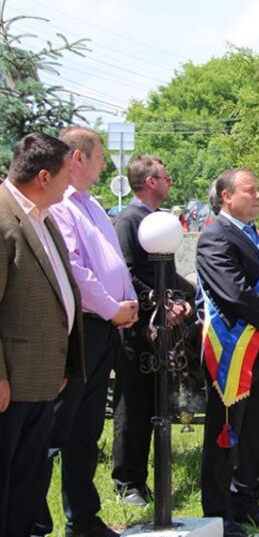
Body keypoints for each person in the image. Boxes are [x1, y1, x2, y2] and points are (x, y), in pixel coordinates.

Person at [38, 126, 139, 537]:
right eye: (99, 158)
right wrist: (114, 308)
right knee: (55, 430)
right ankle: (32, 520)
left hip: (106, 328)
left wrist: (127, 303)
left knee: (87, 429)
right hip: (79, 328)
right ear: (77, 158)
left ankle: (83, 518)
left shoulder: (93, 205)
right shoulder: (60, 206)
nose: (103, 167)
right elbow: (74, 270)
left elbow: (113, 262)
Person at [196, 168, 259, 536]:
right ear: (226, 196)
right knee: (227, 432)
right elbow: (236, 293)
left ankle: (245, 499)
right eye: (250, 190)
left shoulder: (257, 236)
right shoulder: (214, 236)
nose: (258, 196)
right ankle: (218, 509)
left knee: (256, 430)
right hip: (233, 351)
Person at [0, 133, 82, 537]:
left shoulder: (42, 217)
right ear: (45, 176)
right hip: (10, 382)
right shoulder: (3, 217)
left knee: (27, 484)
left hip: (42, 377)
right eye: (68, 174)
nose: (71, 183)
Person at [111, 155, 195, 506]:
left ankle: (150, 479)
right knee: (133, 405)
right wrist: (159, 302)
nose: (170, 183)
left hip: (161, 329)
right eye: (166, 177)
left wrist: (183, 297)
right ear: (149, 181)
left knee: (153, 406)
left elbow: (164, 274)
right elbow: (126, 272)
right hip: (137, 330)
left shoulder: (158, 222)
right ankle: (128, 482)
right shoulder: (130, 220)